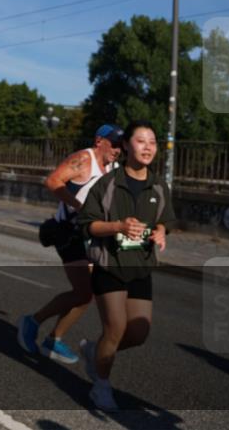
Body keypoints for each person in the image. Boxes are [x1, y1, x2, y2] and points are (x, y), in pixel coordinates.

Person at [77, 121, 174, 411]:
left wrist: (161, 232)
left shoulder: (159, 186)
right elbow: (87, 225)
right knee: (115, 328)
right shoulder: (106, 184)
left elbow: (165, 220)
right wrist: (118, 226)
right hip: (109, 264)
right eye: (141, 141)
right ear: (127, 146)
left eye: (152, 142)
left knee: (138, 333)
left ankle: (95, 351)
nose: (148, 147)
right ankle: (101, 386)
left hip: (140, 267)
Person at [17, 124, 123, 363]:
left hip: (90, 236)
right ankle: (32, 323)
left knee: (86, 294)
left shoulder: (113, 168)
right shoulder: (83, 159)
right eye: (114, 144)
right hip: (67, 233)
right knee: (84, 291)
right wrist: (79, 207)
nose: (117, 150)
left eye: (121, 146)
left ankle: (53, 339)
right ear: (99, 141)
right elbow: (53, 181)